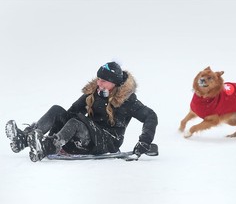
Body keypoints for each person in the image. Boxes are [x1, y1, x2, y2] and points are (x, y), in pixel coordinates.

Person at [5, 61, 158, 162]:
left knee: (75, 122)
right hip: (85, 136)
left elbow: (151, 116)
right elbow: (71, 112)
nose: (99, 83)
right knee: (57, 110)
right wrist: (59, 123)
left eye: (103, 81)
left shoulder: (127, 100)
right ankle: (24, 139)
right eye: (98, 79)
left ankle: (47, 146)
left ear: (114, 83)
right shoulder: (93, 93)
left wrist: (144, 142)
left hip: (106, 141)